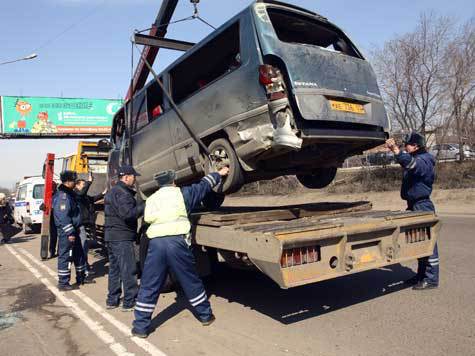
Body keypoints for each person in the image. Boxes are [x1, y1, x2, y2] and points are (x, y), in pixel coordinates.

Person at [131, 167, 229, 338]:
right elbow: (204, 185)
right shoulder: (182, 194)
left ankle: (140, 326)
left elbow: (146, 218)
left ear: (159, 184)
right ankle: (205, 316)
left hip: (156, 243)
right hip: (177, 243)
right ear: (173, 181)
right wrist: (219, 174)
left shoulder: (152, 199)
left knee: (149, 283)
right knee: (190, 280)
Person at [386, 132, 439, 290]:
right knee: (419, 242)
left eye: (406, 145)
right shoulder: (418, 158)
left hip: (422, 205)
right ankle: (421, 275)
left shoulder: (425, 160)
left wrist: (395, 150)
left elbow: (412, 165)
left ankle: (431, 279)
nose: (405, 147)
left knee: (428, 243)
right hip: (414, 205)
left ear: (415, 146)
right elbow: (408, 163)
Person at [104, 165, 144, 311]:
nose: (135, 179)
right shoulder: (123, 193)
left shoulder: (112, 191)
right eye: (133, 177)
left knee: (114, 269)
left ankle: (112, 300)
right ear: (126, 177)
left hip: (111, 236)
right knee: (128, 269)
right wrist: (144, 206)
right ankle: (129, 301)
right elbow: (128, 214)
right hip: (122, 237)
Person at [53, 171, 90, 291]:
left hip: (75, 229)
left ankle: (81, 277)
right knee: (66, 257)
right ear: (68, 181)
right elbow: (63, 216)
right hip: (67, 232)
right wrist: (70, 233)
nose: (75, 182)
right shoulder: (63, 196)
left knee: (78, 254)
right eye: (74, 180)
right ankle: (63, 282)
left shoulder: (70, 194)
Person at [75, 173, 106, 275]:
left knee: (84, 247)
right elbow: (82, 193)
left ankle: (84, 267)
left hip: (84, 224)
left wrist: (103, 193)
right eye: (83, 185)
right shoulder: (76, 194)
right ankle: (84, 269)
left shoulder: (83, 196)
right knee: (83, 247)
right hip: (79, 225)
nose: (85, 187)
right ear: (77, 186)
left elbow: (92, 199)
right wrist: (89, 182)